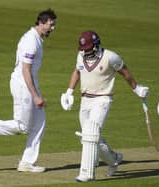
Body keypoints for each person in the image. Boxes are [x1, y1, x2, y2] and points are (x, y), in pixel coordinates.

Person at [0, 9, 57, 173]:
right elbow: (25, 70)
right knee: (22, 126)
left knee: (40, 122)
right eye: (51, 25)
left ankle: (26, 162)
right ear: (41, 22)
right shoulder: (31, 41)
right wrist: (36, 95)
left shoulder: (35, 38)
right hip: (23, 85)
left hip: (29, 83)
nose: (53, 28)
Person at [60, 31, 149, 182]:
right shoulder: (81, 55)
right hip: (85, 100)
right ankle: (114, 159)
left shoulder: (110, 57)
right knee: (91, 137)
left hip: (102, 99)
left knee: (90, 133)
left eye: (87, 48)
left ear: (96, 45)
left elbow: (125, 72)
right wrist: (69, 92)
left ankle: (87, 173)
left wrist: (137, 88)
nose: (84, 51)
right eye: (83, 48)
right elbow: (77, 71)